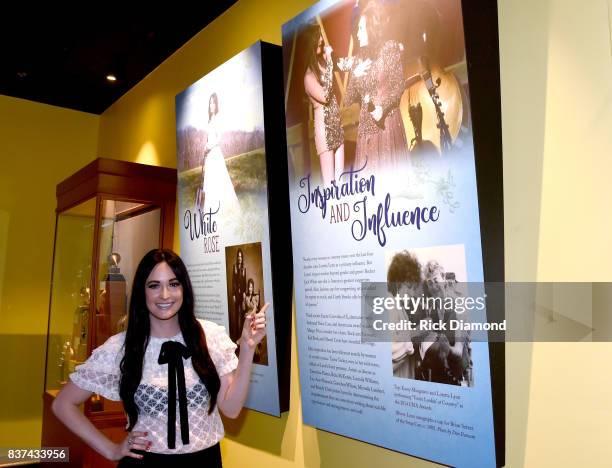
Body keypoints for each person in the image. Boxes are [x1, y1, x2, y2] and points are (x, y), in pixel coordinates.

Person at [52, 249, 267, 467]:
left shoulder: (210, 337)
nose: (165, 295)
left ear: (184, 288)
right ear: (141, 291)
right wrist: (111, 449)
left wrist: (248, 349)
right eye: (154, 285)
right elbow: (63, 404)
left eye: (173, 284)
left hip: (205, 460)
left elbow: (231, 409)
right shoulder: (121, 347)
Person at [345, 0, 410, 173]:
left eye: (361, 29)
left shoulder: (389, 49)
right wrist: (355, 76)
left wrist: (383, 107)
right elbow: (348, 99)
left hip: (387, 125)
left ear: (372, 27)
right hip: (366, 131)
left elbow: (399, 86)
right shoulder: (359, 58)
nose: (357, 34)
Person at [303, 23, 345, 186]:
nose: (321, 39)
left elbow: (343, 65)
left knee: (342, 185)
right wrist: (329, 65)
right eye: (317, 36)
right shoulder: (308, 76)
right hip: (324, 132)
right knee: (331, 187)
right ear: (310, 42)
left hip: (337, 126)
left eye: (321, 35)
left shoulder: (324, 63)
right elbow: (326, 96)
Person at [197, 92, 239, 213]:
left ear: (216, 104)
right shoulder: (210, 120)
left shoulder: (218, 118)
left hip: (215, 153)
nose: (211, 105)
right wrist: (205, 147)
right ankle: (211, 209)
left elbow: (219, 137)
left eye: (213, 102)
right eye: (210, 103)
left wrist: (209, 146)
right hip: (209, 155)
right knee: (210, 182)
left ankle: (223, 208)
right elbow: (209, 137)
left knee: (219, 180)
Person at [387, 250, 422, 379]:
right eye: (410, 287)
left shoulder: (400, 307)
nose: (412, 294)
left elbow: (399, 336)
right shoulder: (389, 303)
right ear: (398, 281)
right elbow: (387, 354)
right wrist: (414, 335)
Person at [230, 249, 247, 343]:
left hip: (242, 295)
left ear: (242, 258)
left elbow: (244, 281)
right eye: (238, 256)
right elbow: (233, 281)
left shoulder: (244, 268)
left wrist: (244, 293)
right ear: (237, 257)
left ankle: (242, 335)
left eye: (241, 256)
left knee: (242, 316)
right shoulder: (234, 267)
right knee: (236, 316)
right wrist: (233, 294)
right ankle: (236, 336)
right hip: (236, 294)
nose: (240, 258)